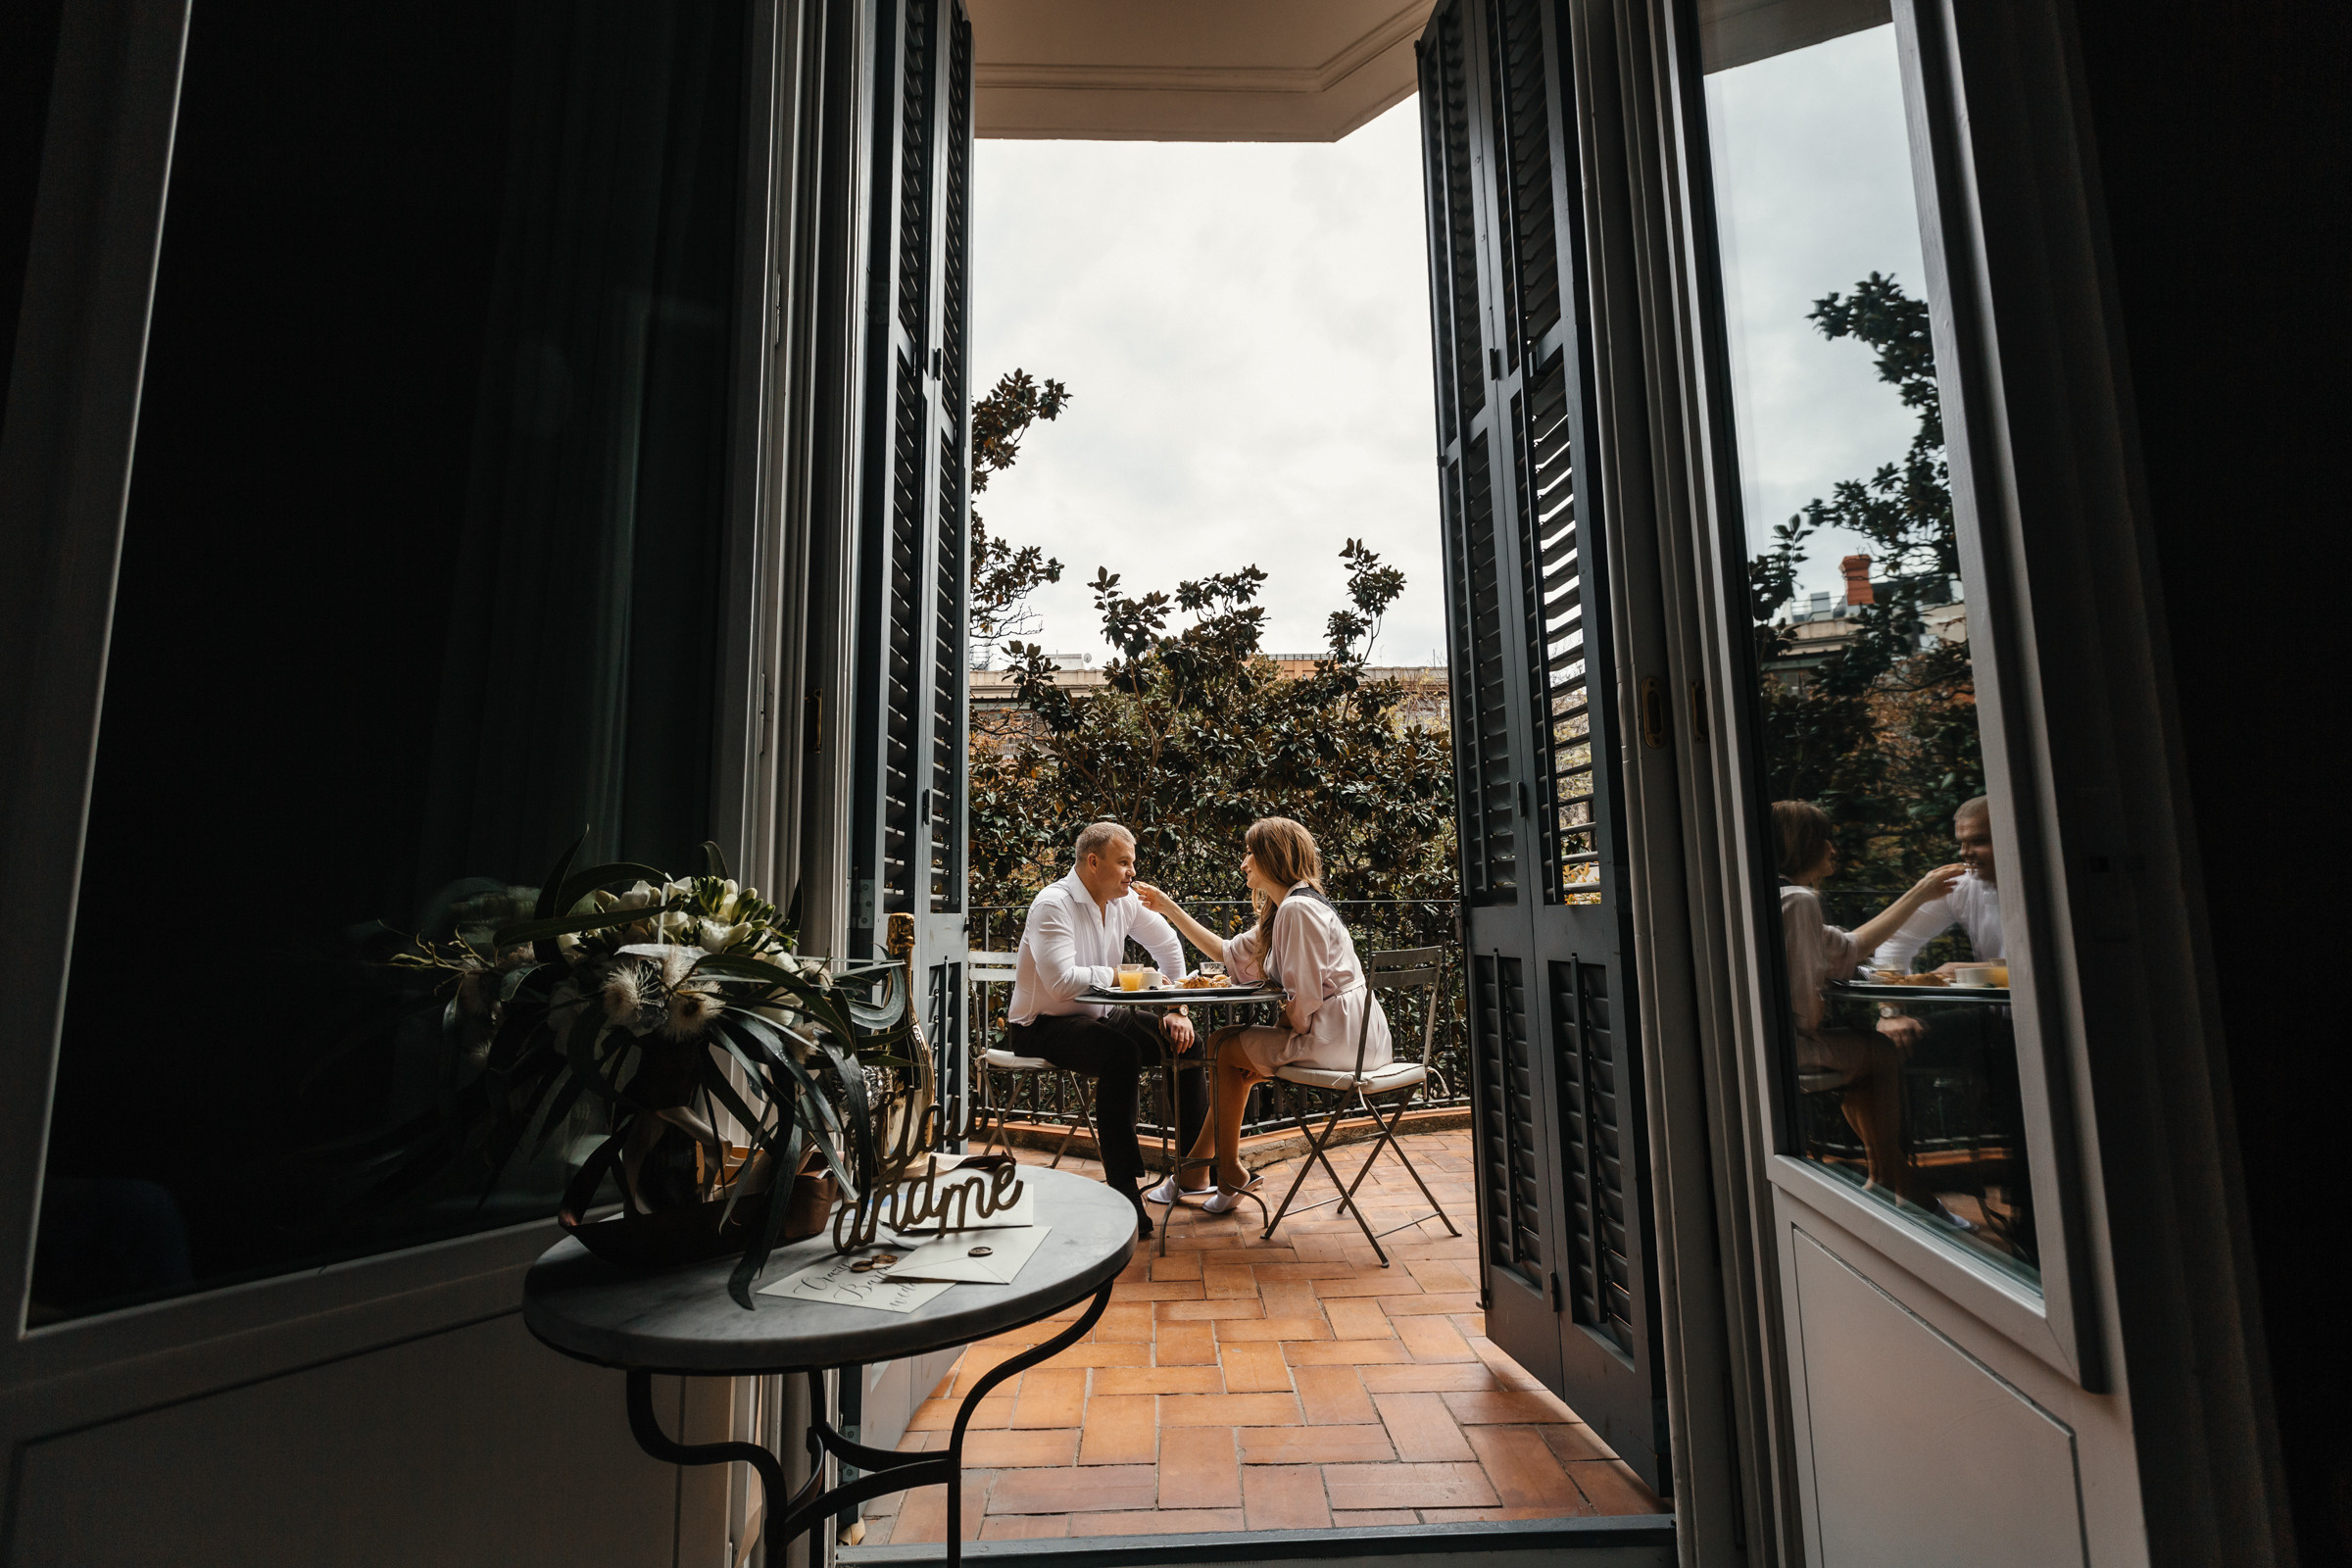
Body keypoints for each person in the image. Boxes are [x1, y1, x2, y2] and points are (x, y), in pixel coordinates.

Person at [1135, 816, 1391, 1214]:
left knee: (1222, 1047)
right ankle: (1197, 1172)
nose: (1244, 863)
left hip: (1339, 1038)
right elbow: (1225, 952)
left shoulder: (1298, 911)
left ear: (1273, 856)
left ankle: (1226, 1171)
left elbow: (1302, 998)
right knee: (1230, 1060)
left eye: (1250, 852)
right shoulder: (1285, 909)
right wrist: (1169, 908)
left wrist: (1281, 1029)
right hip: (1353, 1035)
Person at [1003, 820, 1200, 1236]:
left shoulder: (1124, 901)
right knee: (1120, 1053)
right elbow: (1059, 983)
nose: (1132, 872)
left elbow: (1167, 946)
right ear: (1094, 862)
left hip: (1101, 1015)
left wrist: (1177, 1007)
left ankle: (1194, 1169)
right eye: (1124, 862)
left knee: (1186, 1044)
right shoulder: (1052, 904)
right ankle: (1124, 1192)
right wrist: (1120, 973)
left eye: (1133, 862)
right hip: (1041, 1023)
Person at [1773, 800, 1969, 1221]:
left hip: (1756, 1047)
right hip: (1784, 1053)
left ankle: (1888, 1185)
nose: (1833, 850)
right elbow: (1806, 1014)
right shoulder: (1799, 901)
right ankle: (1898, 1185)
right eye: (1826, 840)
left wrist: (1918, 895)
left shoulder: (1769, 897)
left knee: (1866, 1058)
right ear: (1804, 844)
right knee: (1880, 1053)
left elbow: (1849, 949)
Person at [1869, 795, 2003, 995]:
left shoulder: (2053, 886)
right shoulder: (1960, 885)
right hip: (1995, 1011)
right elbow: (1894, 941)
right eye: (1962, 843)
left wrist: (1971, 971)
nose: (1964, 852)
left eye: (1979, 841)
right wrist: (1893, 1009)